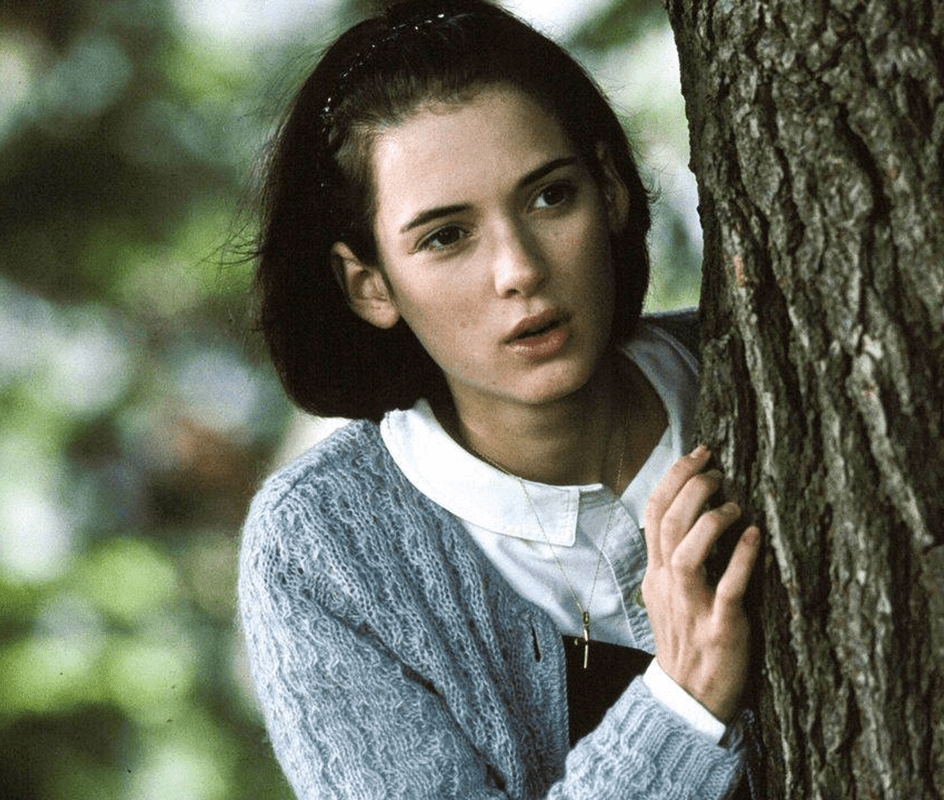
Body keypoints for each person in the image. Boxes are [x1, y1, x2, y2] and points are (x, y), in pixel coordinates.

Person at [238, 1, 762, 797]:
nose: (519, 269)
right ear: (369, 284)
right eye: (446, 236)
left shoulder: (758, 366)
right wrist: (681, 705)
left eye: (550, 196)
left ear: (610, 188)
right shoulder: (323, 549)